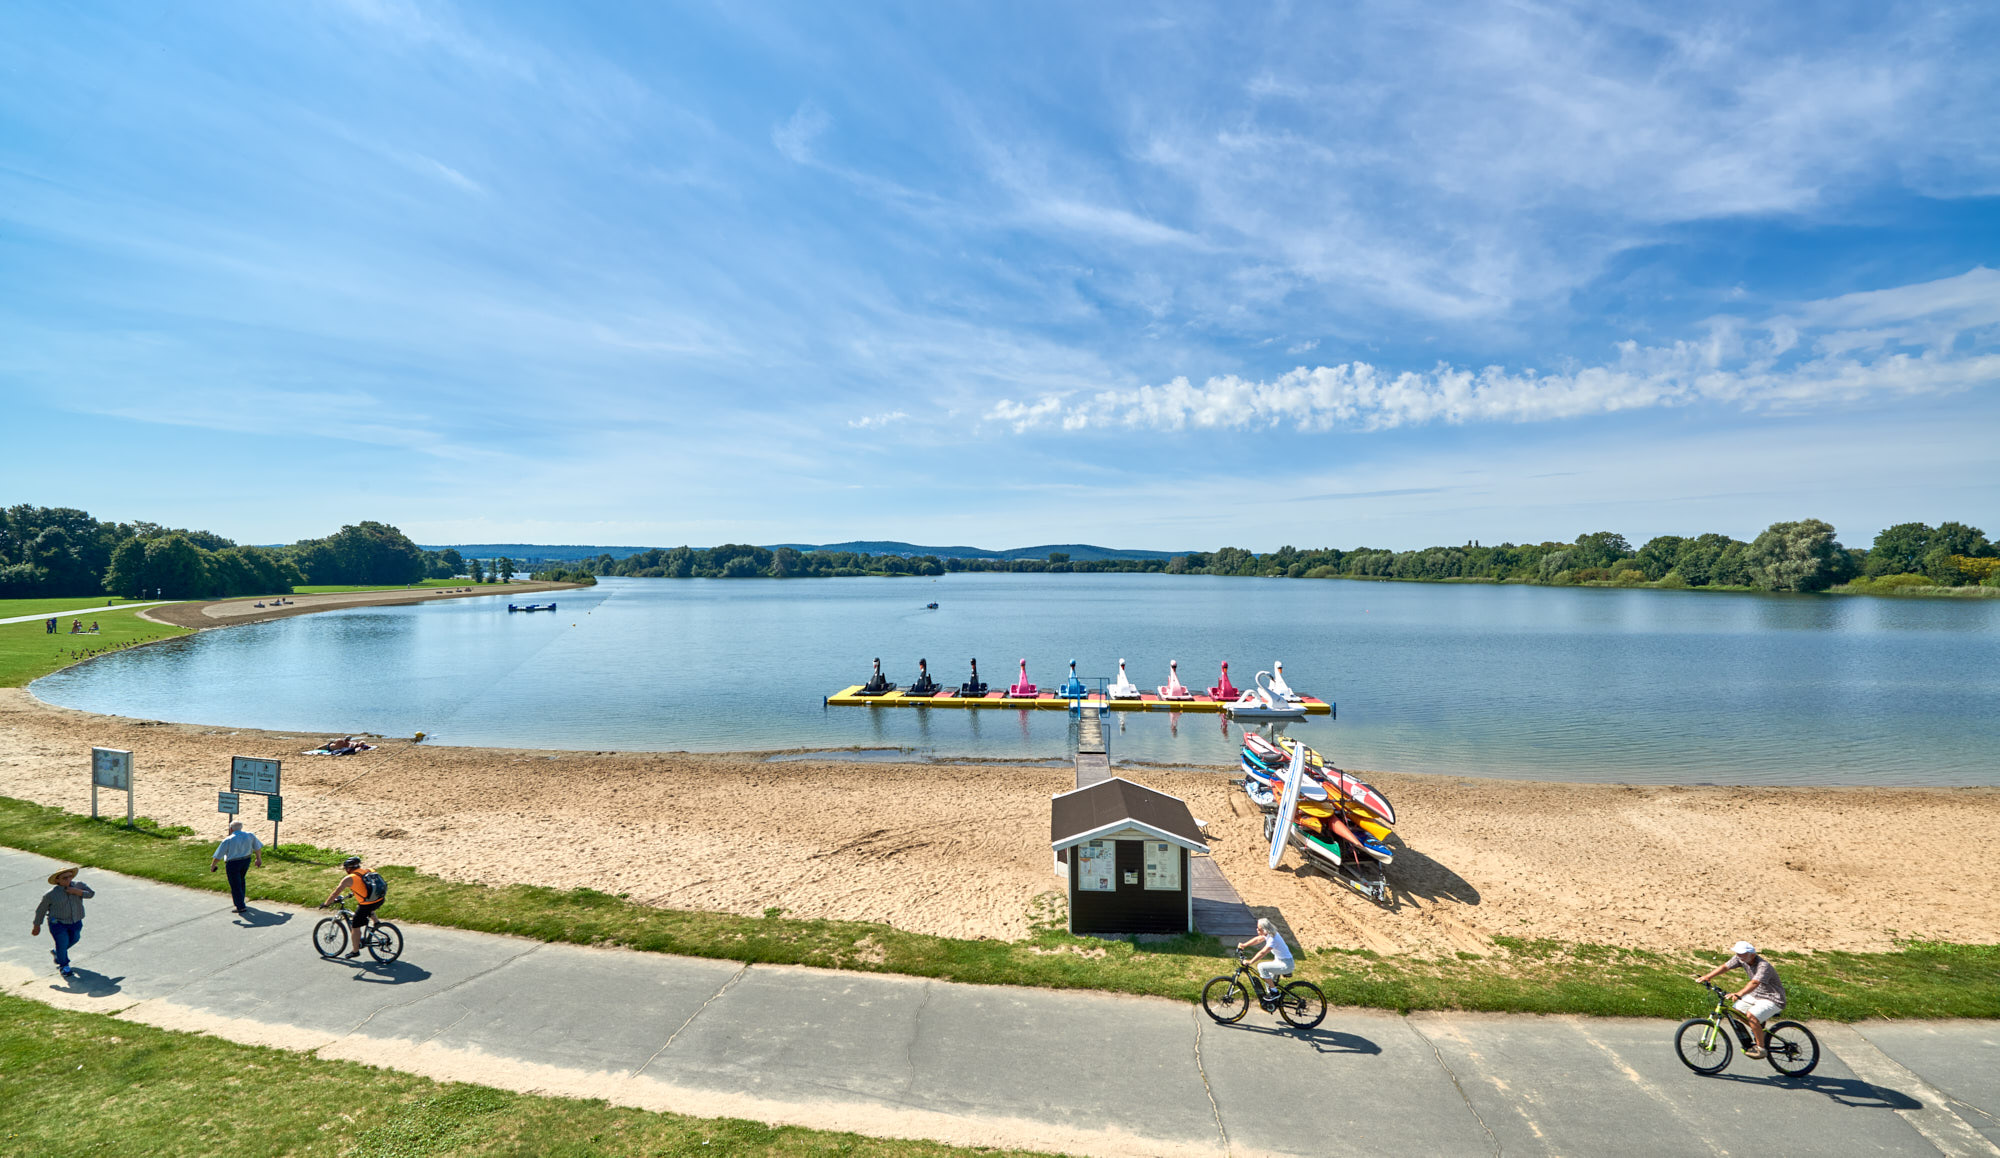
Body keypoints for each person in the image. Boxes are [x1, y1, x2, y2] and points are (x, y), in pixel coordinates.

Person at [1695, 940, 1787, 1058]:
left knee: (1751, 1016)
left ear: (1752, 955)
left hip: (1773, 998)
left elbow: (1754, 983)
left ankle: (1761, 1049)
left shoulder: (1764, 966)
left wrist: (1739, 993)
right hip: (1755, 995)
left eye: (1742, 954)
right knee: (1737, 1011)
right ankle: (1759, 1029)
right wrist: (1708, 977)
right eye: (1737, 953)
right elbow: (1725, 967)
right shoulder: (1741, 959)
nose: (1739, 956)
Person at [30, 867, 94, 978]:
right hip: (58, 923)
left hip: (76, 920)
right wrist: (37, 925)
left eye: (70, 876)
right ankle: (64, 966)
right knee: (62, 943)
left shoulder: (78, 885)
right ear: (57, 880)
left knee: (75, 938)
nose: (68, 879)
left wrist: (77, 892)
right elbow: (41, 910)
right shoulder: (50, 895)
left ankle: (57, 952)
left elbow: (91, 894)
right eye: (65, 878)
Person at [319, 856, 382, 959]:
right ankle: (377, 923)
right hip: (379, 899)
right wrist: (352, 894)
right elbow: (366, 885)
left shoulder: (349, 878)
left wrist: (326, 904)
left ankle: (355, 950)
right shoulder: (368, 871)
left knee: (355, 925)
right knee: (366, 908)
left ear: (348, 868)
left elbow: (335, 894)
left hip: (367, 903)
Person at [210, 821, 265, 913]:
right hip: (246, 860)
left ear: (231, 829)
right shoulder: (250, 835)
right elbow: (257, 847)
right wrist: (258, 859)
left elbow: (218, 855)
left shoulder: (228, 840)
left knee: (235, 884)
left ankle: (240, 906)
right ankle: (241, 900)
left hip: (233, 863)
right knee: (241, 880)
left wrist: (213, 865)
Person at [1237, 916, 1296, 995]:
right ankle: (1272, 999)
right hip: (1279, 961)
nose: (1257, 930)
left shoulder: (1273, 939)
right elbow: (1258, 939)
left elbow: (1263, 952)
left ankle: (1275, 992)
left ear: (1265, 930)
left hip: (1285, 964)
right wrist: (1244, 945)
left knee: (1261, 967)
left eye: (1259, 929)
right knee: (1267, 981)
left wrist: (1250, 962)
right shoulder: (1269, 934)